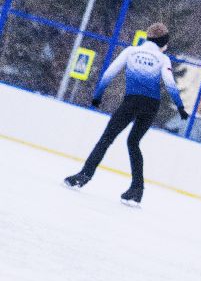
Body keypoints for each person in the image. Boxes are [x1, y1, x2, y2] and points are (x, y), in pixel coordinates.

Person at [64, 22, 187, 206]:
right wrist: (180, 107)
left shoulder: (130, 52)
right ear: (162, 43)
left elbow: (109, 73)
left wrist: (98, 96)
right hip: (151, 105)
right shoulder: (163, 59)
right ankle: (137, 190)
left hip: (131, 102)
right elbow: (169, 83)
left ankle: (84, 175)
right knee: (133, 142)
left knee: (107, 138)